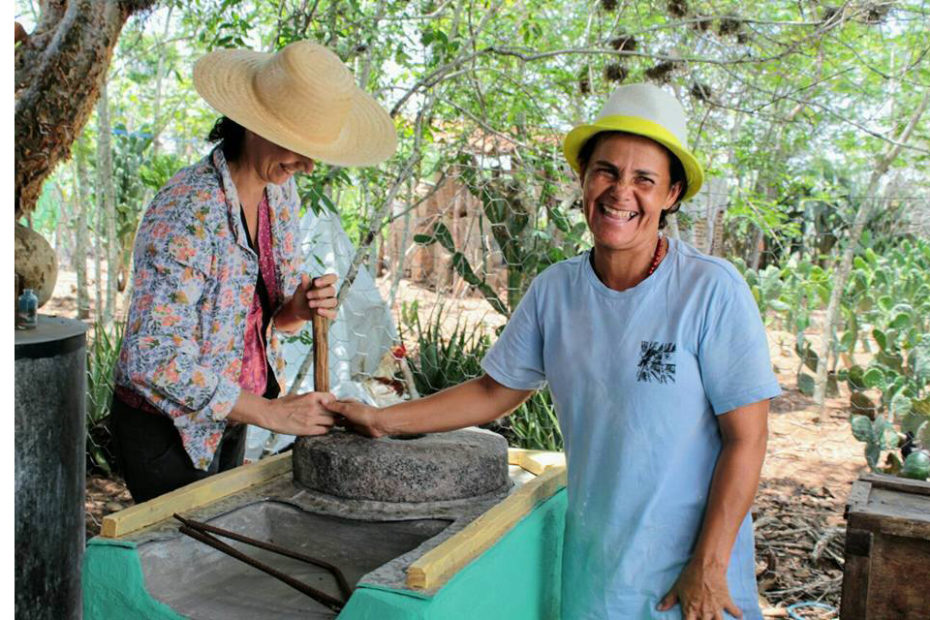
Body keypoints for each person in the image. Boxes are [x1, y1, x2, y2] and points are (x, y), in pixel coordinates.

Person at [330, 83, 779, 619]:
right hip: (597, 568)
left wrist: (708, 564)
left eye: (644, 180)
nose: (620, 192)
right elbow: (495, 391)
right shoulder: (556, 292)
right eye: (607, 171)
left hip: (692, 573)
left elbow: (747, 439)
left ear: (672, 195)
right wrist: (383, 420)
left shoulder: (710, 290)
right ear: (584, 179)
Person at [112, 41, 397, 503]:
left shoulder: (278, 194)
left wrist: (299, 308)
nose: (306, 165)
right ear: (255, 126)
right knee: (185, 562)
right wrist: (271, 414)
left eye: (314, 153)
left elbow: (270, 318)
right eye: (299, 148)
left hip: (233, 416)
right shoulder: (189, 208)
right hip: (170, 429)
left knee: (217, 551)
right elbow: (150, 357)